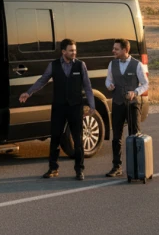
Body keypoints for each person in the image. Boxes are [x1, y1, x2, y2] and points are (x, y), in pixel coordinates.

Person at [19, 38, 95, 180]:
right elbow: (42, 80)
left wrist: (92, 105)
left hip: (75, 107)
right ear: (63, 51)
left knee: (78, 140)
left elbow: (87, 86)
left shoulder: (80, 65)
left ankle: (79, 170)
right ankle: (53, 168)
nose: (74, 53)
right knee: (55, 137)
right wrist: (28, 92)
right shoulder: (53, 65)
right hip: (59, 107)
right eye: (71, 50)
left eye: (75, 50)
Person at [104, 39, 149, 178]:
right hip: (117, 103)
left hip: (132, 105)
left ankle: (136, 166)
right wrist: (109, 85)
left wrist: (135, 92)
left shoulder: (137, 65)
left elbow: (145, 84)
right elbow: (108, 79)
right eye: (114, 48)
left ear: (125, 50)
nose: (113, 51)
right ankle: (116, 166)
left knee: (134, 136)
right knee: (116, 137)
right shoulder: (112, 64)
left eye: (116, 49)